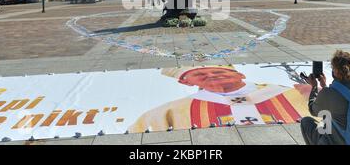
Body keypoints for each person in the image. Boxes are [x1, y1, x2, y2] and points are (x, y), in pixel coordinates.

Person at [129, 65, 311, 133]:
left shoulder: (290, 93)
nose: (212, 76)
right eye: (200, 74)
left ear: (240, 73)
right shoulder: (167, 112)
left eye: (218, 71)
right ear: (186, 82)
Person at [300, 50, 350, 145]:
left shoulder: (329, 93)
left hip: (340, 141)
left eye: (333, 68)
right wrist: (324, 86)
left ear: (336, 71)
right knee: (328, 118)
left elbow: (313, 109)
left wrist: (314, 87)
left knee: (306, 122)